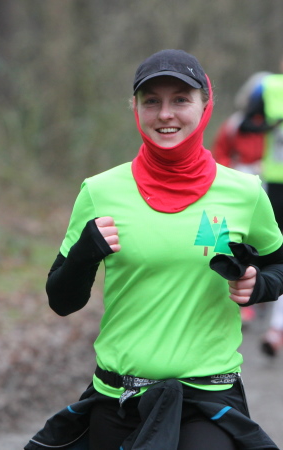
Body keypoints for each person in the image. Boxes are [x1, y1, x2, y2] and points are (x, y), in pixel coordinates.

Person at [25, 50, 282, 449]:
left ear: (205, 105)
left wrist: (258, 285)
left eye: (180, 99)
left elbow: (277, 264)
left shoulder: (243, 193)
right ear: (135, 108)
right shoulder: (100, 191)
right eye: (151, 101)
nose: (165, 114)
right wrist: (84, 256)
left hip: (208, 398)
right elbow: (61, 300)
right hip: (119, 398)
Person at [212, 71, 271, 326]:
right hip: (240, 186)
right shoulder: (236, 123)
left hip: (272, 186)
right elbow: (220, 153)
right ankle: (242, 302)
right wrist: (233, 174)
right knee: (236, 241)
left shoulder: (275, 126)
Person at [238, 69, 283, 357]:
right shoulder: (271, 88)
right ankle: (256, 308)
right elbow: (245, 125)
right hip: (276, 183)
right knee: (270, 248)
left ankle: (276, 328)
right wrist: (271, 126)